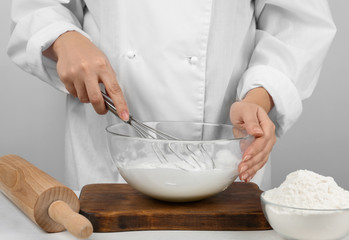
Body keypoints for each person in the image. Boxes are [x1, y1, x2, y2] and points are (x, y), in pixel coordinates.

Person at [7, 0, 336, 191]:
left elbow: (299, 25)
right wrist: (64, 40)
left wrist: (258, 98)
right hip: (108, 160)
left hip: (225, 149)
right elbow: (37, 7)